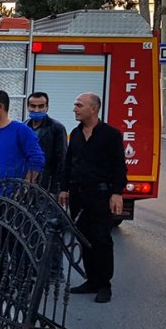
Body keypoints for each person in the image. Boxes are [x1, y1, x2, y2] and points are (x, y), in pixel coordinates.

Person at [59, 93, 126, 303]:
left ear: (93, 109)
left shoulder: (110, 135)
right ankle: (91, 280)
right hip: (79, 196)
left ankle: (104, 284)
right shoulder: (76, 134)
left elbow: (119, 166)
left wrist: (117, 193)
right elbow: (69, 163)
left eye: (79, 105)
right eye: (74, 104)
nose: (74, 109)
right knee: (84, 239)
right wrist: (64, 189)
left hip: (101, 195)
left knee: (101, 240)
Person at [25, 92, 67, 195]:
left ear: (47, 107)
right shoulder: (23, 127)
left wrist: (58, 188)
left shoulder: (57, 128)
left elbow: (62, 159)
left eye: (41, 106)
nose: (36, 110)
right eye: (33, 106)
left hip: (47, 186)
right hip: (25, 185)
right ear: (28, 107)